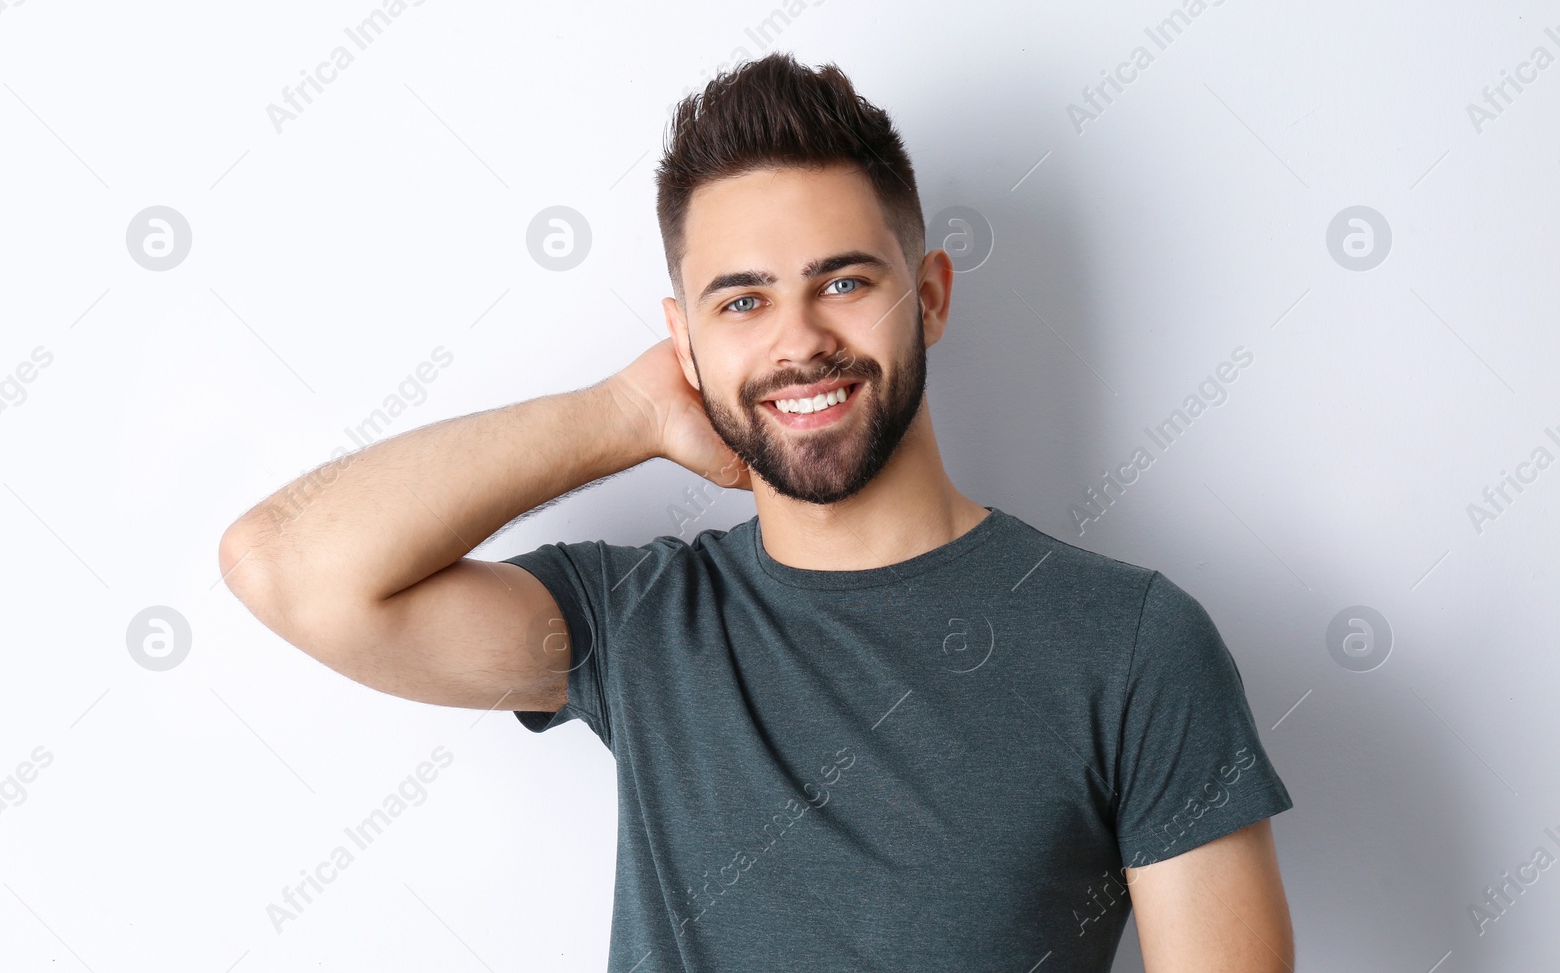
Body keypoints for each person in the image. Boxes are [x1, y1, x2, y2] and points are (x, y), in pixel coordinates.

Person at [220, 51, 1295, 972]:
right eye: (741, 301)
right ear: (684, 340)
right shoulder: (638, 625)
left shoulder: (1132, 641)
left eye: (841, 282)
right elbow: (284, 563)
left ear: (928, 296)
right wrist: (623, 412)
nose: (797, 341)